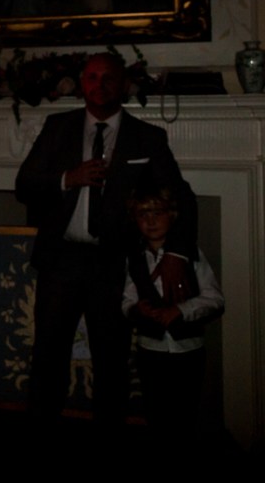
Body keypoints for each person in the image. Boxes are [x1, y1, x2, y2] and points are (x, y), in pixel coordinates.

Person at [15, 52, 197, 434]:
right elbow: (25, 185)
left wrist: (176, 254)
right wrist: (68, 177)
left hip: (115, 265)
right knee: (48, 357)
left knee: (111, 362)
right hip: (61, 262)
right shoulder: (57, 127)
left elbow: (180, 196)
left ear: (124, 85)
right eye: (93, 77)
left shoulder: (148, 137)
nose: (100, 84)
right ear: (83, 84)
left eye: (109, 77)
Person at [122, 186, 223, 448]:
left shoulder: (190, 255)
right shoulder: (133, 259)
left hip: (188, 349)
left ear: (172, 215)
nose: (151, 221)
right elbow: (126, 299)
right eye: (143, 215)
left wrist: (180, 310)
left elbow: (214, 298)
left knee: (185, 414)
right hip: (150, 349)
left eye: (157, 213)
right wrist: (137, 310)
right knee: (156, 414)